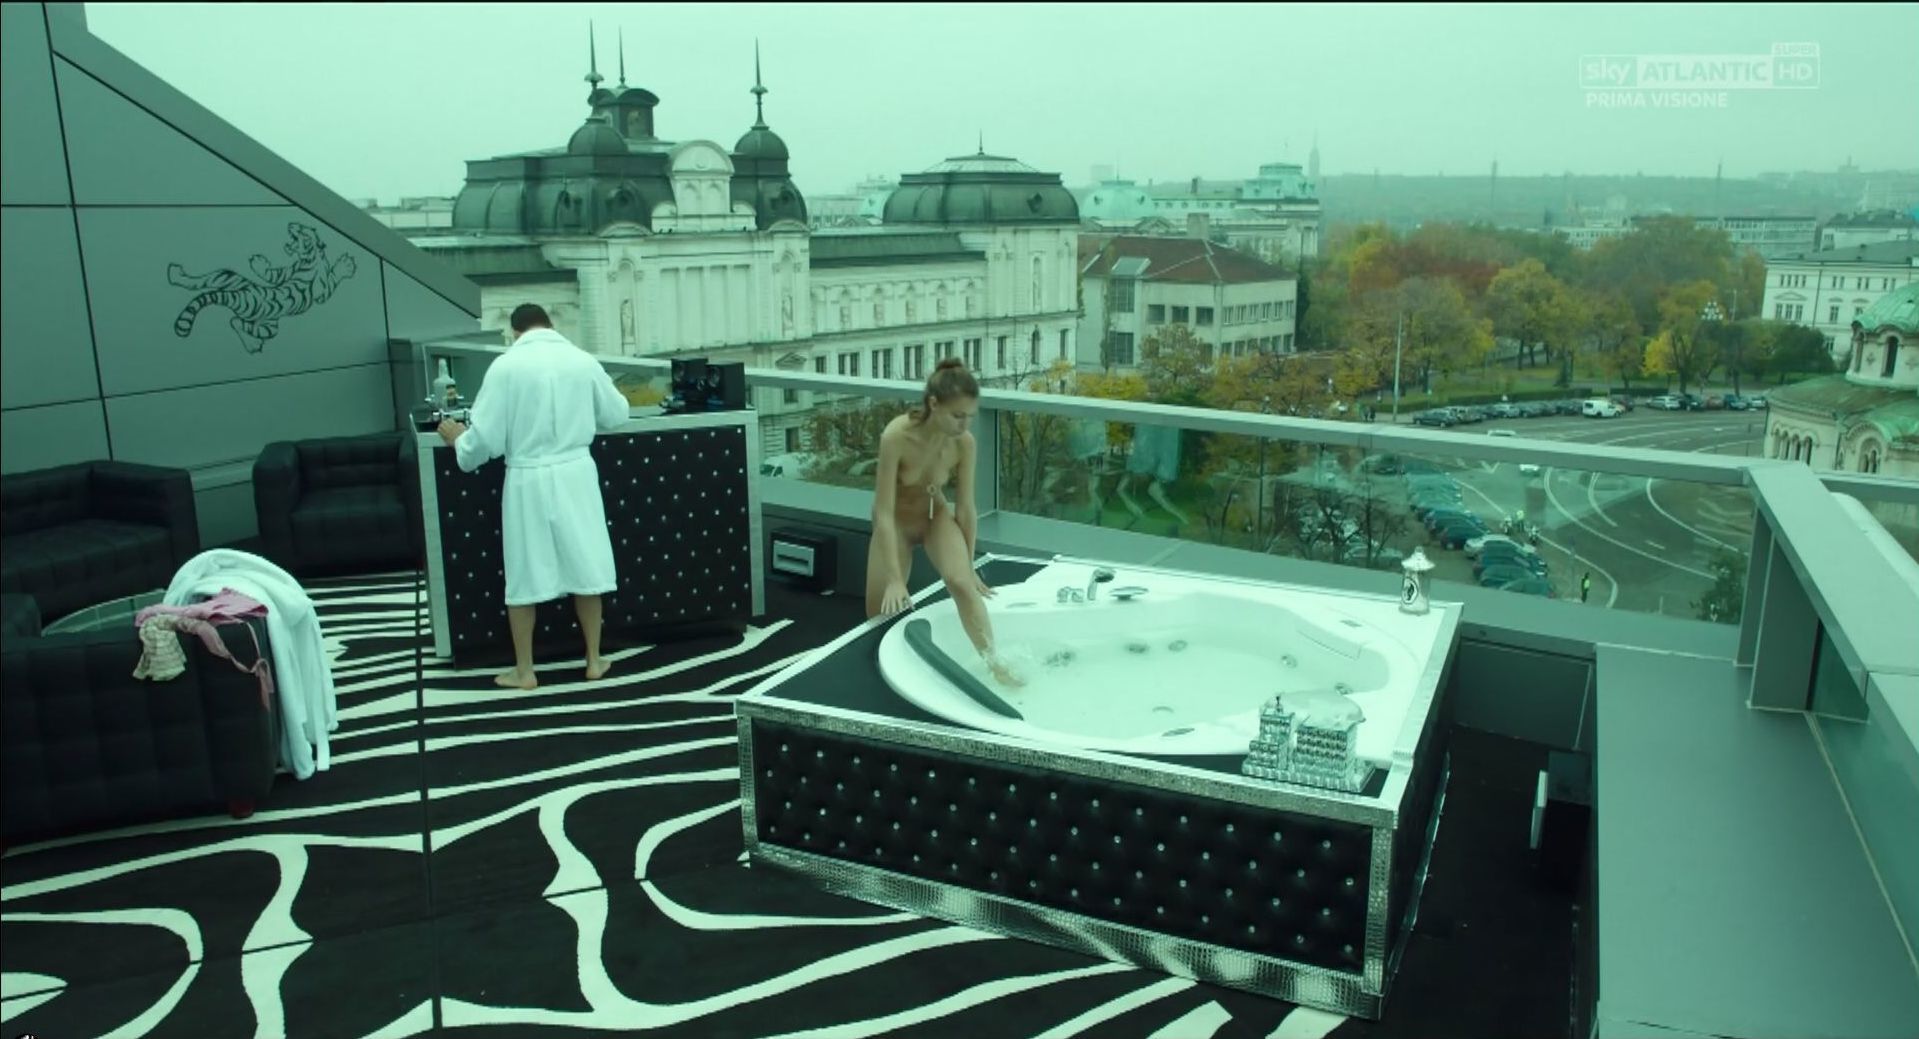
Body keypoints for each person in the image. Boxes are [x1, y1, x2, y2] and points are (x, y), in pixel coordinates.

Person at [437, 303, 630, 690]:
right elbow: (617, 414)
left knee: (523, 571)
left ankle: (525, 670)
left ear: (514, 332)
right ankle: (594, 659)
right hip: (576, 474)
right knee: (586, 567)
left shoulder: (505, 367)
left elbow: (485, 439)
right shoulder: (582, 360)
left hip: (527, 479)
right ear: (550, 324)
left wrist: (458, 439)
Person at [867, 358, 1022, 687]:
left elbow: (965, 508)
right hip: (896, 523)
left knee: (963, 584)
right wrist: (895, 579)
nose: (965, 424)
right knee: (879, 613)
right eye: (957, 415)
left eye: (970, 416)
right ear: (934, 404)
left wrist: (968, 563)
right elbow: (882, 511)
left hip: (935, 517)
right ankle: (888, 677)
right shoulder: (896, 436)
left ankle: (996, 665)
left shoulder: (964, 443)